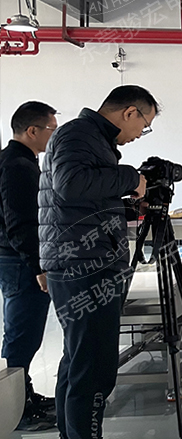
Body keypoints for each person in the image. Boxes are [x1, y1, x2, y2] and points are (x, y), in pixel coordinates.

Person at [39, 85, 155, 439]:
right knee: (94, 366)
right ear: (130, 112)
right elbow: (71, 184)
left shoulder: (91, 139)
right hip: (84, 265)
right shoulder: (78, 134)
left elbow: (82, 201)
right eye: (144, 125)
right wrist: (131, 178)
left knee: (80, 359)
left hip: (84, 261)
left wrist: (126, 202)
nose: (140, 134)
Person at [0, 101, 58, 431]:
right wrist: (39, 266)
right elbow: (21, 223)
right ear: (32, 130)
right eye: (51, 129)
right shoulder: (17, 166)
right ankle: (15, 411)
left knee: (25, 334)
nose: (54, 136)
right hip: (20, 261)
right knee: (22, 335)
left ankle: (24, 397)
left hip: (17, 258)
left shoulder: (18, 161)